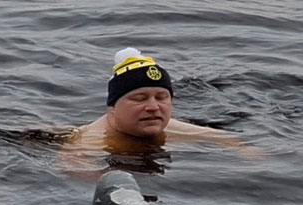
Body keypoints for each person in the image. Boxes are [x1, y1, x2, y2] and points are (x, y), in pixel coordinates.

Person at [63, 48, 247, 156]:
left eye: (161, 97)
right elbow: (77, 177)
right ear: (113, 107)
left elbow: (232, 142)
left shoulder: (175, 128)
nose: (153, 107)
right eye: (139, 99)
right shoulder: (86, 145)